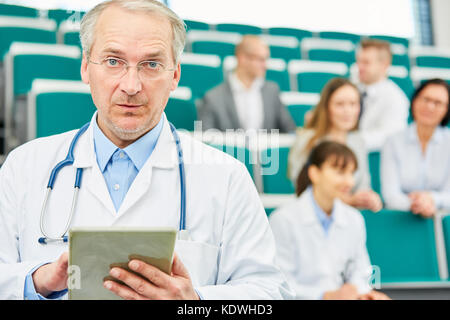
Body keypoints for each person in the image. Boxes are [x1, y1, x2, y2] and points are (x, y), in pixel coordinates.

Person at [0, 0, 293, 300]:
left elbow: (270, 295)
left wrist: (195, 302)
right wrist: (36, 282)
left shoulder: (228, 177)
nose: (131, 85)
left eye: (151, 64)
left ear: (175, 75)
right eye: (113, 61)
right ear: (86, 68)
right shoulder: (23, 167)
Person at [270, 141, 390, 300]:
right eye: (340, 172)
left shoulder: (354, 219)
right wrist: (325, 296)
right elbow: (280, 284)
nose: (350, 182)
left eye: (351, 173)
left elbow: (361, 273)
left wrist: (363, 294)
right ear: (314, 173)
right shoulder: (283, 219)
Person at [288, 78, 382, 212]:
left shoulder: (357, 140)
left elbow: (363, 185)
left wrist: (368, 198)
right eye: (340, 104)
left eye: (353, 104)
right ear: (326, 107)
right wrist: (348, 200)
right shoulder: (307, 139)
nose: (347, 111)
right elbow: (302, 188)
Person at [197, 35, 296, 133]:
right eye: (261, 59)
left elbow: (290, 130)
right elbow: (206, 140)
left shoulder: (272, 91)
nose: (266, 66)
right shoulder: (213, 97)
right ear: (242, 59)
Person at [381, 78, 450, 217]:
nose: (430, 107)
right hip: (401, 218)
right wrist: (417, 205)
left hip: (442, 218)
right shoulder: (393, 142)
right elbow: (390, 195)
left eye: (438, 103)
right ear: (414, 101)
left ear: (446, 109)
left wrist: (432, 199)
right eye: (425, 99)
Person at [355, 38, 410, 152]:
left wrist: (351, 140)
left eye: (366, 62)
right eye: (358, 61)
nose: (359, 67)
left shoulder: (395, 98)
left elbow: (390, 136)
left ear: (384, 65)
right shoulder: (353, 89)